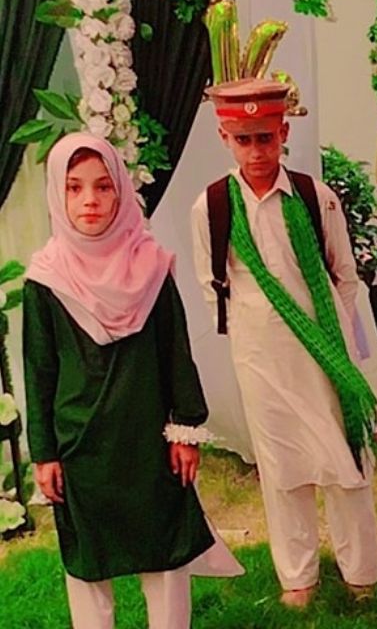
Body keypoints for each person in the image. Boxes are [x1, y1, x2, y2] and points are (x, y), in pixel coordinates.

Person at [24, 134, 241, 629]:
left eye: (103, 187)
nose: (90, 200)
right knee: (88, 561)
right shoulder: (46, 279)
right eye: (74, 188)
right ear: (57, 193)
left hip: (147, 439)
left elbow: (174, 351)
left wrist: (186, 429)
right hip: (80, 443)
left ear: (121, 191)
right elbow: (39, 369)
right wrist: (45, 452)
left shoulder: (151, 266)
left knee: (164, 549)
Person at [190, 78, 377, 608]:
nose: (256, 151)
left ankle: (361, 574)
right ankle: (298, 578)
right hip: (261, 360)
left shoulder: (316, 197)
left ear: (283, 133)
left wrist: (334, 341)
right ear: (225, 138)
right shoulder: (212, 206)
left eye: (265, 138)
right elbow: (213, 286)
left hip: (325, 354)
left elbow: (344, 276)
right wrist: (253, 336)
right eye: (244, 140)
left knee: (345, 461)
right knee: (281, 469)